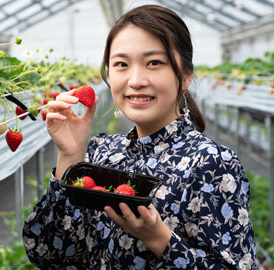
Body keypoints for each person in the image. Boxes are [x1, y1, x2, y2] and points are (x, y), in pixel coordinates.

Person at [23, 4, 257, 269]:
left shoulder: (211, 164)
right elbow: (48, 253)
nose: (135, 80)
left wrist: (158, 238)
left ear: (186, 76)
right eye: (121, 64)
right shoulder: (101, 152)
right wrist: (71, 156)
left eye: (154, 63)